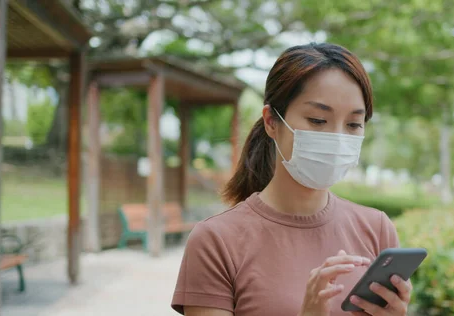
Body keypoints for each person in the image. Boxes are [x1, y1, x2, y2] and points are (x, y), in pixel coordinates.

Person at [171, 43, 411, 316]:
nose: (337, 138)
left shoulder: (377, 228)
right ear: (272, 122)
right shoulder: (216, 240)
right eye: (318, 120)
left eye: (353, 124)